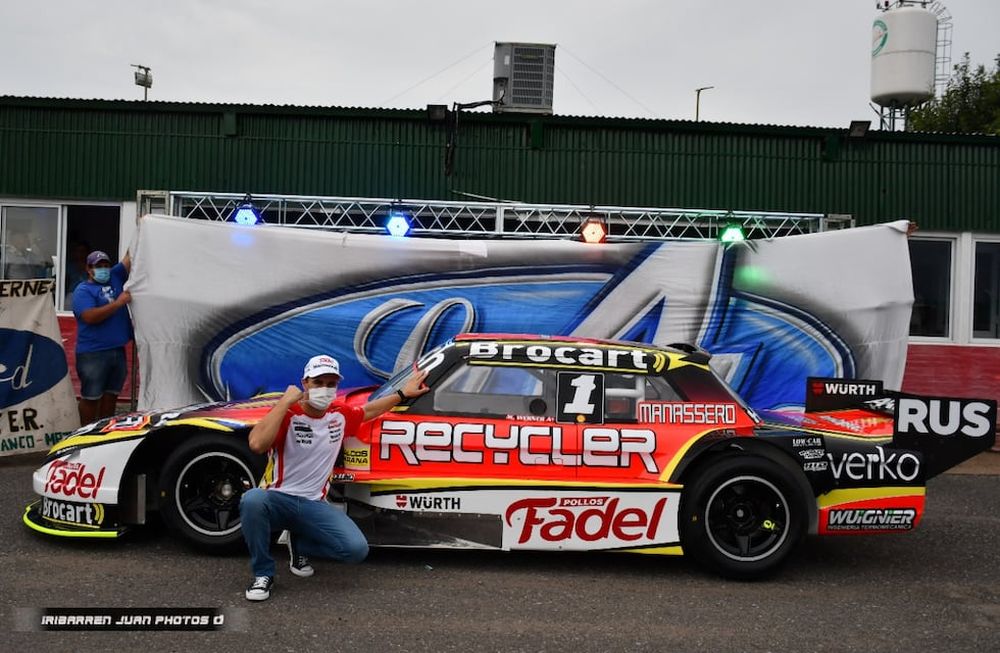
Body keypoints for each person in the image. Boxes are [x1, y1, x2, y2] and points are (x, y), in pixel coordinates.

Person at [240, 355, 430, 601]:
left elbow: (369, 410)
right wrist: (284, 402)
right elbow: (256, 444)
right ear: (305, 383)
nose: (325, 389)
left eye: (331, 384)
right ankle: (263, 574)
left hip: (314, 505)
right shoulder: (289, 414)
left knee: (355, 550)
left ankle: (299, 544)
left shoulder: (339, 414)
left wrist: (403, 394)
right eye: (318, 382)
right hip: (277, 499)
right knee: (252, 500)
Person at [71, 249, 132, 425]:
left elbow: (130, 257)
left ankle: (104, 432)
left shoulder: (115, 276)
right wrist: (118, 303)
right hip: (93, 354)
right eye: (98, 266)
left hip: (117, 350)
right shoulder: (83, 291)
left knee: (111, 396)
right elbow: (90, 317)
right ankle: (85, 433)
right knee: (91, 397)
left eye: (106, 265)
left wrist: (142, 226)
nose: (103, 269)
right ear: (88, 269)